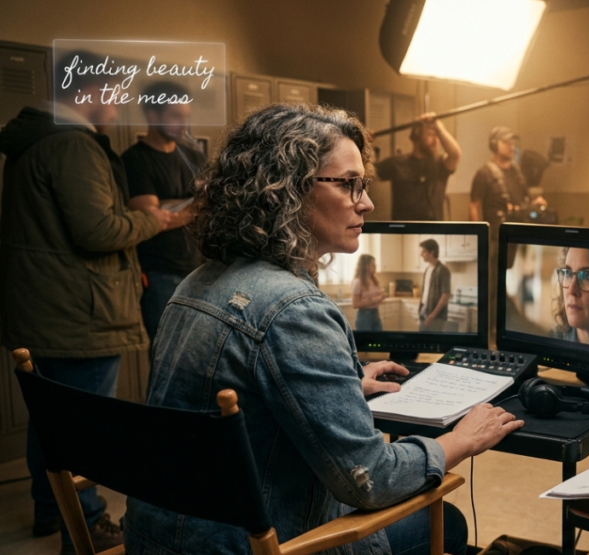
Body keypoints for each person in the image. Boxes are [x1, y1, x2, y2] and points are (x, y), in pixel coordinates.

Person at [122, 103, 523, 555]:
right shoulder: (294, 309)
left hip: (157, 541)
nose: (366, 202)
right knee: (444, 520)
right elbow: (371, 478)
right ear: (286, 190)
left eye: (364, 184)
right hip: (256, 547)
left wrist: (344, 386)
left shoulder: (194, 284)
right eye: (349, 184)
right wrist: (459, 440)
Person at [0, 49, 171, 552]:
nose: (119, 102)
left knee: (50, 417)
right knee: (84, 423)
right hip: (80, 312)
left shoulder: (38, 140)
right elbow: (98, 229)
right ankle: (89, 520)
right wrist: (157, 221)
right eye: (114, 90)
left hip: (49, 306)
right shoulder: (73, 145)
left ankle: (51, 510)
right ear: (88, 92)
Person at [124, 80, 207, 344]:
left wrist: (172, 205)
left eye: (185, 117)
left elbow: (211, 203)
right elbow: (151, 218)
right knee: (166, 352)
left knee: (198, 354)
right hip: (160, 273)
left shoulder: (192, 155)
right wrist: (194, 204)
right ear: (152, 115)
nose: (183, 124)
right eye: (175, 116)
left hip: (199, 269)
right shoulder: (135, 160)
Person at [470, 126, 543, 342]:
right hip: (493, 238)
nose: (512, 147)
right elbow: (474, 205)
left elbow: (523, 202)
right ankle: (490, 332)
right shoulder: (484, 173)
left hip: (515, 239)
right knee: (492, 287)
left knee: (509, 284)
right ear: (495, 144)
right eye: (507, 142)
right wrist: (480, 238)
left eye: (513, 143)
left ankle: (509, 327)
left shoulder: (516, 172)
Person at [376, 112, 461, 220]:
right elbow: (367, 172)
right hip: (404, 233)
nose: (436, 141)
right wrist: (364, 144)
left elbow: (455, 154)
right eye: (430, 134)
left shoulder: (440, 164)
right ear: (416, 137)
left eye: (437, 136)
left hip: (434, 231)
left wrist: (439, 129)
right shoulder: (396, 163)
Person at [418, 238, 452, 332]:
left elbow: (445, 295)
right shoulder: (427, 269)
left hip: (436, 316)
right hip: (424, 311)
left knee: (432, 342)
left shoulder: (443, 270)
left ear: (432, 252)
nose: (421, 254)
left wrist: (432, 315)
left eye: (424, 251)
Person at [352, 254, 384, 331]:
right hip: (364, 316)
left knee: (379, 340)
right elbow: (355, 304)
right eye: (373, 265)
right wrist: (373, 301)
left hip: (376, 314)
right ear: (366, 266)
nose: (375, 267)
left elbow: (378, 296)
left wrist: (380, 298)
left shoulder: (374, 280)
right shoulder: (358, 282)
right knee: (365, 342)